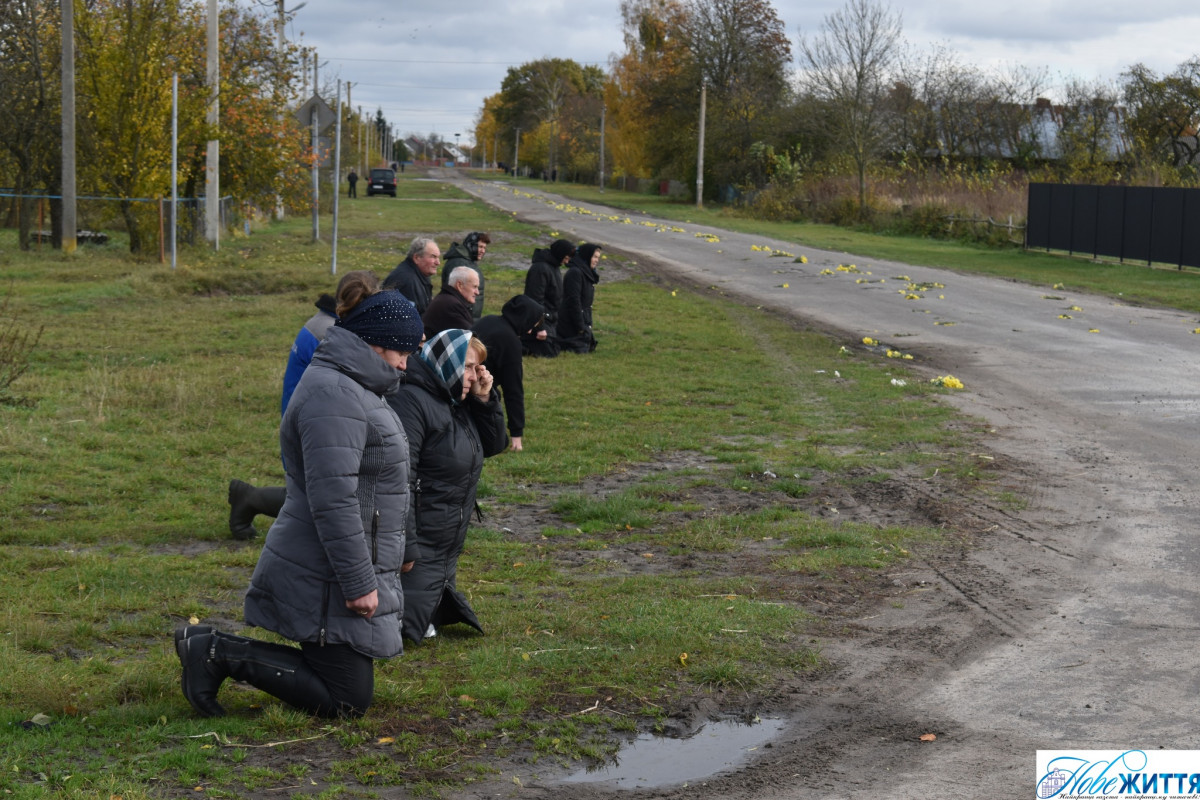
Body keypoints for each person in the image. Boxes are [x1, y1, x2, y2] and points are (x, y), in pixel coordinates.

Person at [177, 288, 424, 719]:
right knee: (346, 698)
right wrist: (358, 581)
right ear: (374, 342)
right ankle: (214, 651)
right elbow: (334, 498)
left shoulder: (358, 386)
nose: (405, 363)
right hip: (326, 568)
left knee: (347, 688)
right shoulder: (336, 395)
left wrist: (401, 551)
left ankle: (214, 650)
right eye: (401, 351)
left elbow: (380, 482)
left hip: (335, 561)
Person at [227, 272, 381, 540]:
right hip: (310, 419)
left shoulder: (326, 322)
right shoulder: (330, 330)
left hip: (304, 413)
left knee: (314, 493)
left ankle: (249, 497)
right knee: (315, 498)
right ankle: (249, 498)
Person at [389, 329, 506, 643]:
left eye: (477, 367)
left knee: (426, 617)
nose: (473, 375)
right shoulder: (411, 400)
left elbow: (494, 444)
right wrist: (406, 545)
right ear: (446, 362)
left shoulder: (454, 399)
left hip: (443, 541)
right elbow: (400, 478)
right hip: (420, 539)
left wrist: (484, 398)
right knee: (400, 627)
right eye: (467, 366)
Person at [472, 295, 544, 453]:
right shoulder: (510, 341)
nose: (531, 330)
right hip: (474, 390)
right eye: (531, 325)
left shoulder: (489, 319)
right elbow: (513, 390)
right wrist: (516, 434)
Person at [521, 239, 575, 358]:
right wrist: (539, 327)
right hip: (540, 320)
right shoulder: (540, 269)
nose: (566, 262)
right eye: (565, 258)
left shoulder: (554, 267)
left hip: (550, 319)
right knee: (550, 351)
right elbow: (535, 300)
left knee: (557, 347)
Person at [558, 243, 602, 354]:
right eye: (594, 257)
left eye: (598, 257)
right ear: (587, 256)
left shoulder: (587, 273)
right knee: (579, 348)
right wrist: (581, 327)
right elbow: (573, 301)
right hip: (570, 322)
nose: (597, 260)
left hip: (582, 319)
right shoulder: (575, 273)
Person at [383, 237, 441, 315]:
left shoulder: (422, 274)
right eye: (433, 257)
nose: (438, 263)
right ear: (417, 258)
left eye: (438, 257)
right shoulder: (405, 280)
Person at [440, 232, 491, 320]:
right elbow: (456, 294)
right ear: (470, 245)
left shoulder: (467, 262)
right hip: (460, 318)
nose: (483, 251)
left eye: (484, 248)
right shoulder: (459, 264)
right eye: (480, 247)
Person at [422, 265, 479, 340]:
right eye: (474, 287)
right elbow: (471, 338)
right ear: (460, 285)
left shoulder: (447, 300)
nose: (477, 292)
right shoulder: (450, 305)